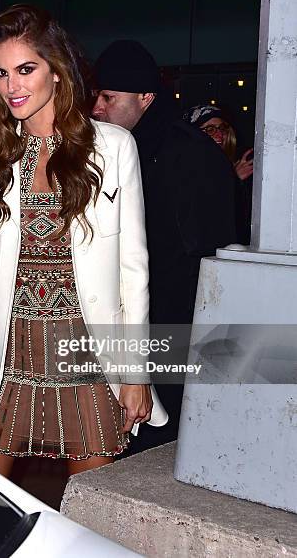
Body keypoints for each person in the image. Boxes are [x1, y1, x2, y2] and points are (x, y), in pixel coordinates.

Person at [0, 5, 167, 477]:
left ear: (58, 71)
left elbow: (134, 272)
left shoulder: (112, 148)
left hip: (88, 351)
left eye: (26, 70)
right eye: (2, 73)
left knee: (91, 512)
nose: (12, 87)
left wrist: (135, 373)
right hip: (8, 351)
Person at [92, 40, 236, 448]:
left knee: (158, 437)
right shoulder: (126, 146)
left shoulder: (187, 153)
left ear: (145, 97)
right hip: (140, 320)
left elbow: (202, 251)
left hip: (173, 324)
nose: (97, 107)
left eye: (108, 97)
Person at [184, 104, 253, 244]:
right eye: (209, 129)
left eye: (222, 128)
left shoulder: (236, 161)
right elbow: (200, 211)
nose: (219, 134)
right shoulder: (186, 166)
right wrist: (233, 179)